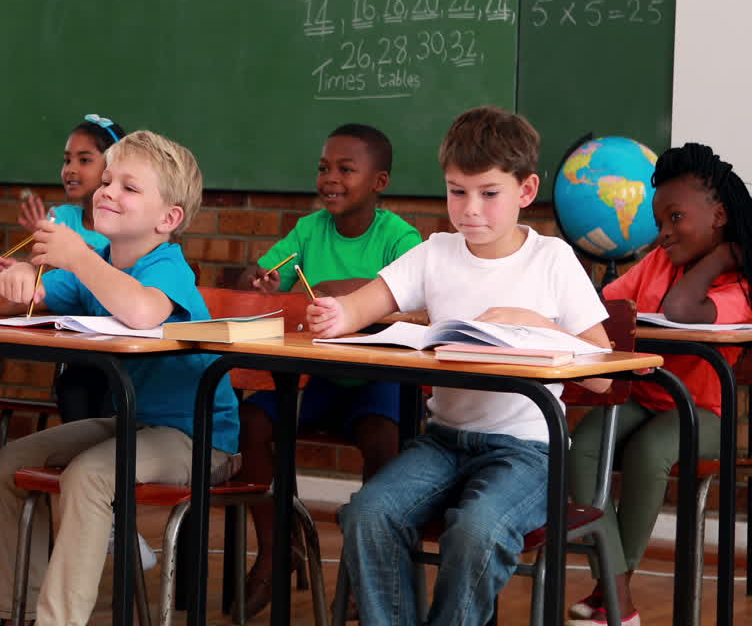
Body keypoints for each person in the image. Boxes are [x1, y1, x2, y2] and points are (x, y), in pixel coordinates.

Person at [310, 106, 613, 626]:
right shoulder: (437, 252)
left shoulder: (553, 260)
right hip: (445, 442)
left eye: (488, 193)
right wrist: (340, 314)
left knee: (478, 529)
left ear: (526, 189)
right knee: (368, 514)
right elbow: (372, 300)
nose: (470, 209)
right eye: (457, 191)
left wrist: (533, 324)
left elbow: (604, 370)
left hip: (530, 454)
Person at [0, 130, 240, 625]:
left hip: (201, 439)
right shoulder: (97, 263)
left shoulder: (167, 266)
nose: (106, 191)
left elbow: (143, 312)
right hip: (136, 426)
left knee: (91, 475)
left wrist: (77, 256)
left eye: (129, 187)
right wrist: (9, 282)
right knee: (13, 459)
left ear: (169, 219)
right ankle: (20, 612)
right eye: (106, 181)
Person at [235, 123, 421, 617]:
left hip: (378, 382)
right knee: (250, 421)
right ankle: (276, 548)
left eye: (345, 169)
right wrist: (260, 280)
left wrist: (346, 289)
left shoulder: (399, 236)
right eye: (323, 168)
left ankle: (367, 568)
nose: (330, 178)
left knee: (383, 437)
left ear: (379, 182)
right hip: (317, 379)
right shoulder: (307, 230)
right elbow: (260, 278)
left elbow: (416, 297)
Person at [566, 142, 752, 626]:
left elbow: (681, 312)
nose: (663, 233)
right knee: (584, 444)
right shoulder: (657, 262)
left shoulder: (740, 286)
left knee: (648, 451)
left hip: (704, 413)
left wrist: (721, 260)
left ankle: (613, 590)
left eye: (675, 218)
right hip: (646, 396)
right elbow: (604, 307)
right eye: (659, 221)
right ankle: (617, 590)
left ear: (719, 215)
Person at [0, 116, 128, 420]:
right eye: (66, 160)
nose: (71, 169)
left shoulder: (129, 228)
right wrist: (23, 272)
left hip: (125, 353)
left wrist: (74, 254)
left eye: (84, 159)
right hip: (81, 354)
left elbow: (113, 271)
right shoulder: (61, 217)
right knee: (74, 388)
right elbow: (50, 280)